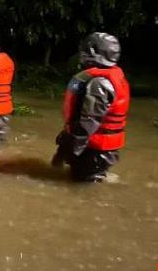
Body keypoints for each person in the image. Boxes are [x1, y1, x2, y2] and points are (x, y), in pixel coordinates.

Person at [52, 32, 130, 182]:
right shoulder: (108, 77)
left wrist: (71, 150)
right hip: (96, 148)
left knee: (83, 188)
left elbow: (89, 121)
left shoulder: (99, 83)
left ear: (93, 52)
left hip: (95, 150)